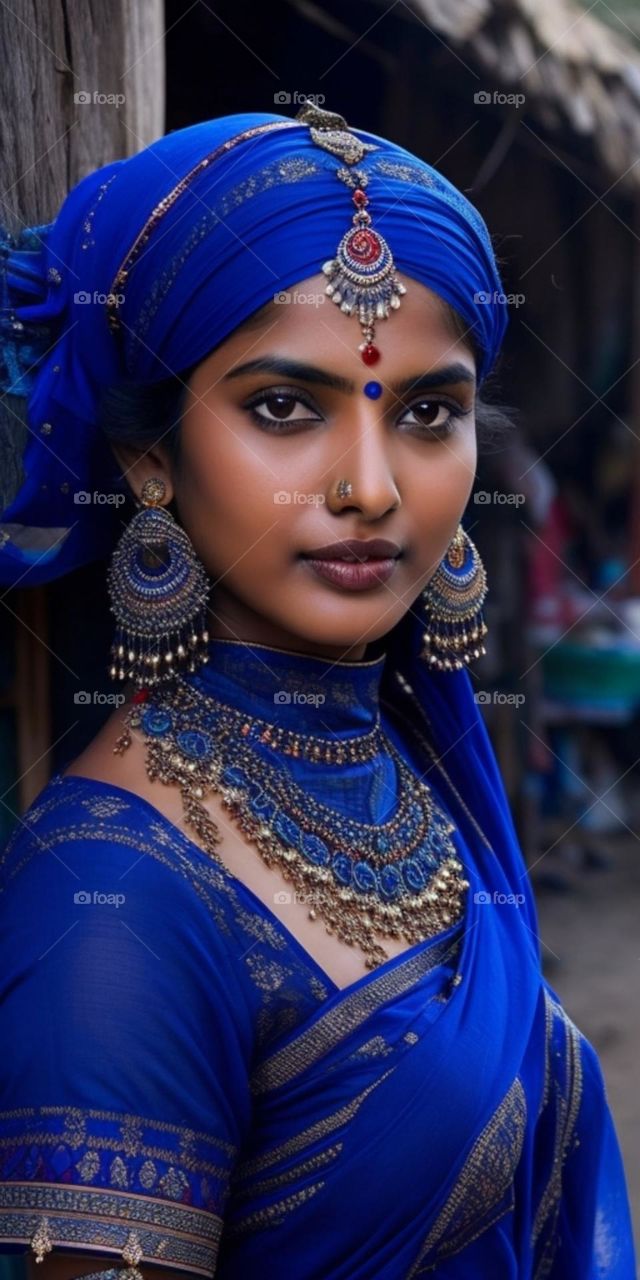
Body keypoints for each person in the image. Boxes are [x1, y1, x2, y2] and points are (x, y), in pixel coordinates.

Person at [0, 101, 635, 1280]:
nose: (369, 487)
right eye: (284, 407)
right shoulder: (115, 900)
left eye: (427, 412)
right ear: (148, 456)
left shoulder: (406, 763)